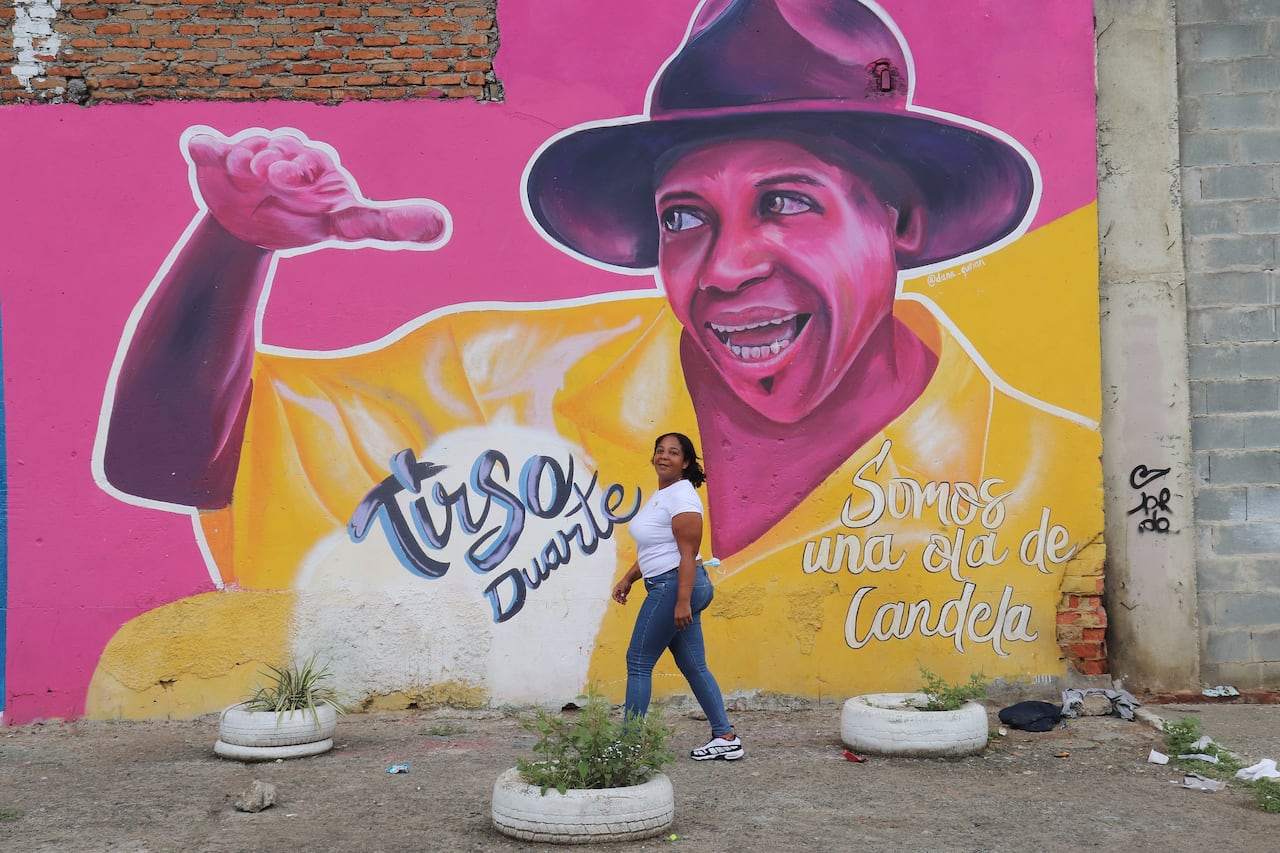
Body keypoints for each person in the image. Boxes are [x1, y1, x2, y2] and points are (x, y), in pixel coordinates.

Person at [90, 0, 1103, 717]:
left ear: (904, 222)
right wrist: (233, 243)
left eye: (787, 201)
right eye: (683, 217)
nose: (726, 265)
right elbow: (168, 463)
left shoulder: (1052, 479)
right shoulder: (494, 379)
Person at [611, 433, 741, 761]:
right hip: (674, 584)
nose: (664, 456)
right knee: (695, 665)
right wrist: (629, 577)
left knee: (638, 661)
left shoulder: (682, 498)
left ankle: (628, 745)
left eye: (673, 452)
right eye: (659, 451)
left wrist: (682, 601)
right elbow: (656, 547)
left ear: (685, 462)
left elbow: (687, 554)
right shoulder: (664, 495)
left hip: (676, 586)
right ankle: (724, 736)